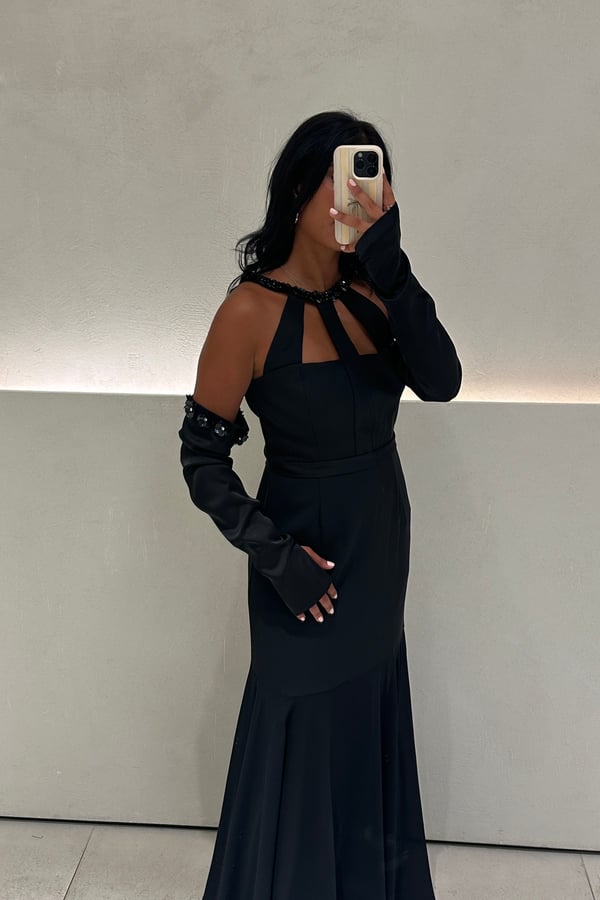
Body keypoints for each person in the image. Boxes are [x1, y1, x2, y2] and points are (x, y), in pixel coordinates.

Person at [178, 110, 462, 900]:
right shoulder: (248, 312)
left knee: (367, 718)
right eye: (339, 183)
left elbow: (442, 380)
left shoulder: (378, 295)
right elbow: (202, 460)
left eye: (369, 183)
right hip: (300, 557)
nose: (353, 199)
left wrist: (392, 264)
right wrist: (277, 560)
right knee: (297, 729)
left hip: (380, 543)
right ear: (300, 189)